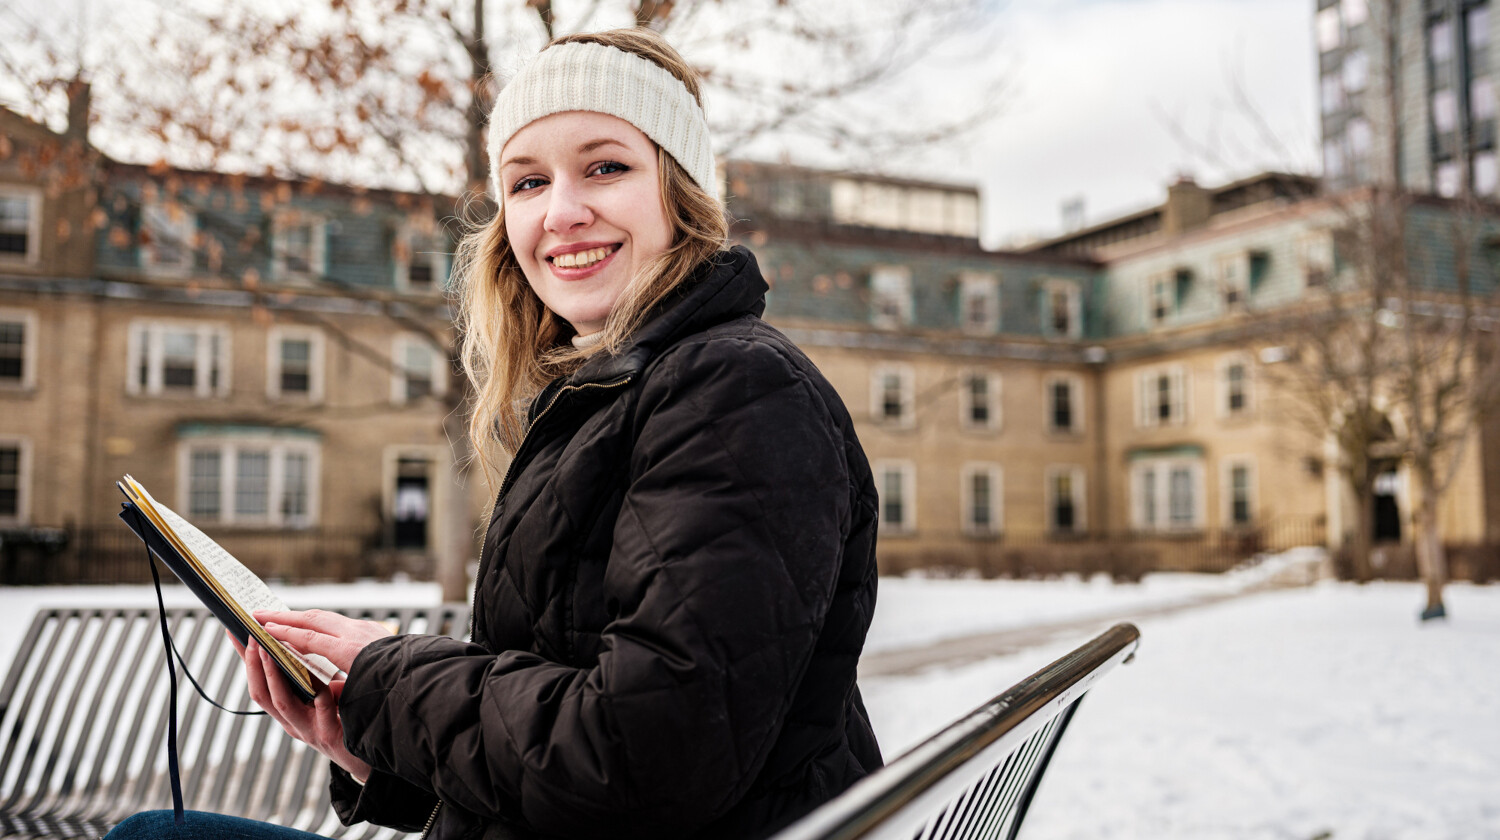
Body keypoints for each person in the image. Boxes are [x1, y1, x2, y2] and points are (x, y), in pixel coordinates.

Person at [107, 26, 882, 840]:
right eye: (527, 182)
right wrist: (369, 750)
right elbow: (570, 746)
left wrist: (389, 677)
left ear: (679, 190)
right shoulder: (618, 391)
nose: (563, 212)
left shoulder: (737, 393)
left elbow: (646, 758)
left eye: (606, 167)